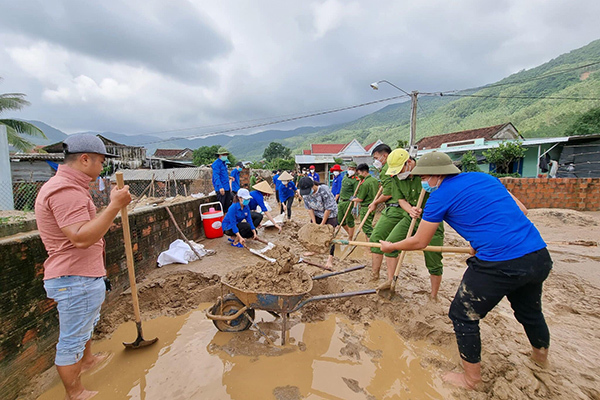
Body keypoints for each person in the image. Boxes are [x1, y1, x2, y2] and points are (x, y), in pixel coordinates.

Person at [380, 151, 552, 390]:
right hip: (537, 255)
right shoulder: (487, 179)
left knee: (462, 315)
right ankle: (540, 359)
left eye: (425, 177)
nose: (424, 183)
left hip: (500, 262)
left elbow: (420, 241)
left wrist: (392, 246)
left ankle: (472, 379)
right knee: (530, 312)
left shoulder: (440, 197)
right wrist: (477, 241)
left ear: (437, 175)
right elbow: (521, 210)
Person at [35, 133, 132, 400]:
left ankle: (87, 361)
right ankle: (75, 393)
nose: (103, 168)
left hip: (81, 275)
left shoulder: (71, 187)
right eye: (101, 162)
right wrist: (113, 206)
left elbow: (85, 229)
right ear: (85, 159)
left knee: (86, 325)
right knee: (72, 338)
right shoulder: (65, 190)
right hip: (73, 276)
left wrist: (104, 220)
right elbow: (80, 237)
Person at [375, 149, 445, 298]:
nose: (399, 173)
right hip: (410, 217)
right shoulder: (396, 178)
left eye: (401, 169)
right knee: (390, 245)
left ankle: (434, 295)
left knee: (433, 258)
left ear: (409, 162)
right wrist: (410, 210)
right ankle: (390, 282)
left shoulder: (427, 174)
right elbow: (400, 199)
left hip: (432, 219)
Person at [366, 144, 402, 282]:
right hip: (402, 208)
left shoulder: (387, 169)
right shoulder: (394, 168)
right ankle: (389, 278)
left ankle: (375, 275)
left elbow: (387, 194)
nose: (375, 161)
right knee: (392, 243)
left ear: (385, 155)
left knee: (376, 239)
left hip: (394, 208)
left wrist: (375, 203)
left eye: (376, 157)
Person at [299, 177, 338, 269]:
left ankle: (330, 258)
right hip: (316, 213)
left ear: (313, 186)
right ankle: (314, 250)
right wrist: (315, 224)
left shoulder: (323, 190)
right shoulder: (305, 194)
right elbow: (309, 209)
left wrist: (321, 225)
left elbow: (328, 208)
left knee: (330, 236)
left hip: (330, 214)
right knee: (313, 232)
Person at [351, 163, 379, 240]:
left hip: (366, 207)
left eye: (359, 173)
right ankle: (368, 244)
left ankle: (371, 246)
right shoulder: (375, 180)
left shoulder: (365, 184)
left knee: (367, 228)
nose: (359, 175)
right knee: (369, 225)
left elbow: (360, 199)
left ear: (364, 172)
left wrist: (353, 199)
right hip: (373, 206)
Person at [337, 162, 360, 238]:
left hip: (348, 202)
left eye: (352, 169)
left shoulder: (356, 180)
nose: (350, 170)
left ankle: (350, 238)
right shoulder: (345, 176)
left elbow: (356, 194)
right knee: (340, 220)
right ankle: (350, 234)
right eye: (349, 168)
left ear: (355, 170)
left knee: (349, 220)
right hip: (341, 201)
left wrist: (354, 206)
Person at [212, 147, 232, 212]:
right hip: (221, 188)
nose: (225, 156)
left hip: (226, 187)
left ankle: (225, 220)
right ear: (219, 155)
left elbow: (223, 175)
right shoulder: (216, 164)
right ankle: (220, 220)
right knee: (221, 206)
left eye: (226, 155)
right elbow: (216, 176)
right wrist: (220, 187)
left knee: (227, 206)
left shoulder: (224, 164)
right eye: (223, 155)